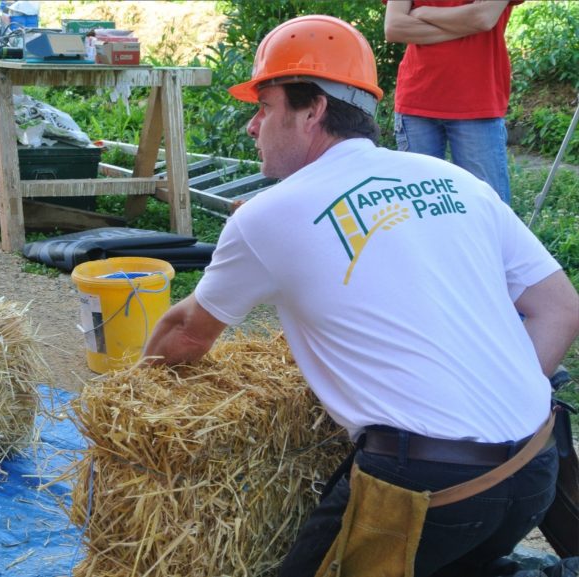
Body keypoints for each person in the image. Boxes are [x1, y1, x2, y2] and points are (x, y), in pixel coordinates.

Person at [143, 15, 579, 577]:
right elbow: (560, 307)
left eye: (265, 106)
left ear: (313, 110)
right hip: (534, 465)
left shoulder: (270, 215)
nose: (253, 126)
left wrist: (133, 409)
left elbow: (185, 334)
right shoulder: (453, 180)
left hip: (425, 491)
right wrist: (496, 406)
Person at [383, 0, 524, 204]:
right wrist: (466, 26)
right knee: (420, 206)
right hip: (417, 102)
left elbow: (483, 18)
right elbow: (394, 27)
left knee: (487, 206)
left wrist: (423, 12)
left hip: (476, 105)